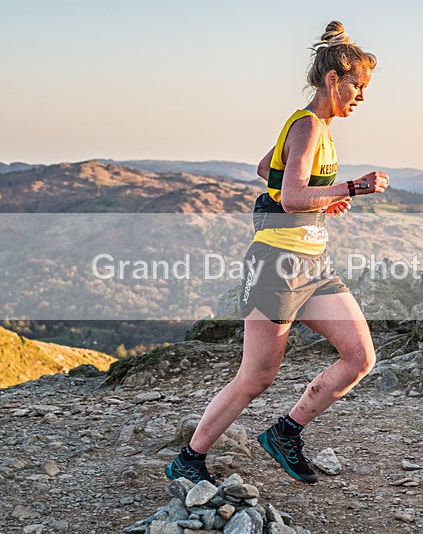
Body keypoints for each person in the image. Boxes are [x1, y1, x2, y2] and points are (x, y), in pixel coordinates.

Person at [166, 21, 389, 485]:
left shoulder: (316, 127)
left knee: (359, 357)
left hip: (313, 267)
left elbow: (266, 169)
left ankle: (286, 431)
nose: (362, 97)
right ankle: (189, 459)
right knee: (256, 377)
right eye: (358, 86)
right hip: (277, 267)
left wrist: (324, 196)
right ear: (334, 80)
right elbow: (289, 198)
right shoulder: (308, 126)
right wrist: (353, 186)